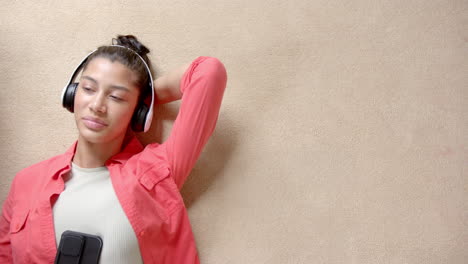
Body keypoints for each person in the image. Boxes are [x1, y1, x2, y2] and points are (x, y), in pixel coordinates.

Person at [0, 35, 227, 263]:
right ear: (72, 94)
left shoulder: (155, 173)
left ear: (138, 111)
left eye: (116, 97)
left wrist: (145, 100)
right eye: (88, 88)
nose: (97, 106)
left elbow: (208, 72)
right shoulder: (26, 182)